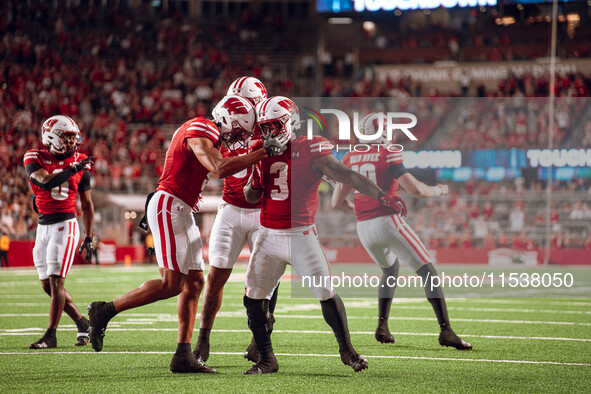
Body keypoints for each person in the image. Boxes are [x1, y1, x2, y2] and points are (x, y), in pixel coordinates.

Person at [88, 95, 289, 374]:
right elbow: (218, 168)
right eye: (239, 131)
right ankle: (105, 310)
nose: (237, 138)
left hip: (181, 209)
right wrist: (261, 152)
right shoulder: (202, 128)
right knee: (172, 283)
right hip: (170, 205)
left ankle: (183, 355)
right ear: (229, 120)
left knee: (194, 283)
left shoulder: (211, 134)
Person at [241, 97, 405, 374]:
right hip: (267, 236)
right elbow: (250, 195)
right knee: (253, 299)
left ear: (289, 124)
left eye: (272, 127)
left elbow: (346, 175)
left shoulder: (310, 148)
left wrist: (381, 195)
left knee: (325, 292)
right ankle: (266, 359)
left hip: (301, 235)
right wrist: (257, 170)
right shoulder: (259, 149)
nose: (267, 134)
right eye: (264, 128)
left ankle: (347, 351)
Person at [331, 113, 472, 350]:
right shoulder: (388, 153)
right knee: (429, 272)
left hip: (363, 227)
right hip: (387, 222)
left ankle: (382, 326)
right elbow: (415, 190)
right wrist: (438, 190)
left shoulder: (350, 157)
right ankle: (446, 330)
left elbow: (337, 203)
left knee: (390, 269)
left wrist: (364, 210)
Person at [193, 77, 279, 365]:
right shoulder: (223, 125)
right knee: (215, 276)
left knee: (266, 279)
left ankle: (260, 339)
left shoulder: (272, 125)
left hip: (262, 211)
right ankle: (203, 337)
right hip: (230, 209)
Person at [23, 115, 96, 349]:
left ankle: (51, 335)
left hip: (65, 225)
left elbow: (87, 204)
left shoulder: (81, 162)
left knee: (56, 282)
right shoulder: (34, 156)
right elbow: (44, 182)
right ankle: (83, 323)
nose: (72, 142)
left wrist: (89, 235)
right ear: (51, 136)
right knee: (48, 285)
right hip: (42, 226)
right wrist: (73, 168)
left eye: (74, 137)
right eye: (67, 137)